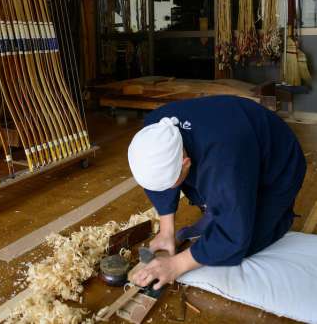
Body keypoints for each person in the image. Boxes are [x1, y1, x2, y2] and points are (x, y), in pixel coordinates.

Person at [128, 95, 306, 290]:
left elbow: (234, 233)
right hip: (235, 139)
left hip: (278, 164)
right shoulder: (153, 131)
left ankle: (280, 218)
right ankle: (217, 210)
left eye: (171, 184)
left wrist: (176, 265)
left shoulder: (224, 160)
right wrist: (166, 231)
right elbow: (160, 180)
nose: (167, 190)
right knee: (222, 202)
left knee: (243, 241)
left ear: (185, 163)